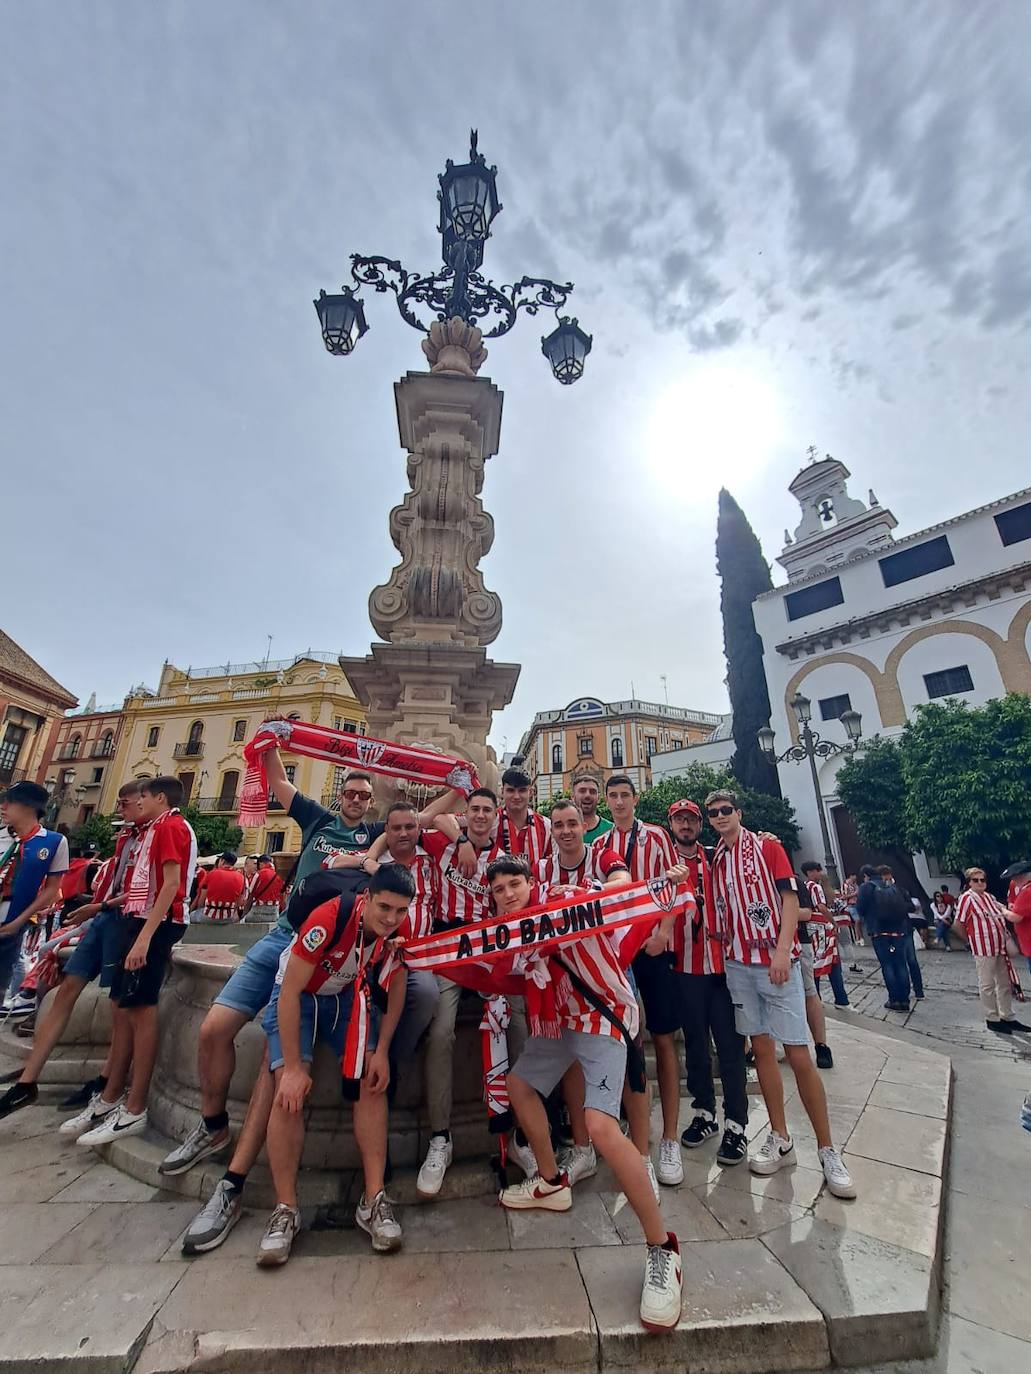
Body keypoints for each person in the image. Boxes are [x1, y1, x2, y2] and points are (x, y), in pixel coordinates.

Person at [162, 756, 386, 1185]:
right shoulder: (317, 819)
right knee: (213, 1029)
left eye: (364, 796)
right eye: (350, 793)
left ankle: (240, 1174)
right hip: (284, 936)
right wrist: (272, 742)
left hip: (328, 952)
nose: (356, 800)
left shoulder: (373, 835)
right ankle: (212, 1126)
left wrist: (456, 781)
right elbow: (278, 779)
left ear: (372, 802)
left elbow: (422, 820)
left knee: (275, 1056)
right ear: (340, 796)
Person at [491, 855, 683, 1332]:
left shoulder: (562, 899)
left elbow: (614, 899)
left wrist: (654, 883)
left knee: (599, 1125)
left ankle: (663, 1248)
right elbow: (487, 964)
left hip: (602, 1018)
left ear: (531, 883)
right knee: (519, 1085)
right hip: (559, 1021)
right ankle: (552, 1182)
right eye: (500, 890)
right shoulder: (510, 929)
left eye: (515, 884)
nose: (509, 894)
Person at [256, 864, 415, 1266]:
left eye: (400, 911)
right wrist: (292, 1067)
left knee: (370, 1081)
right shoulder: (327, 919)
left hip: (345, 996)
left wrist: (382, 1052)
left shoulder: (398, 927)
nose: (391, 919)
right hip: (300, 997)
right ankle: (286, 1210)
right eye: (384, 908)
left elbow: (397, 985)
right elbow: (290, 992)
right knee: (287, 1093)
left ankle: (374, 1198)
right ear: (366, 898)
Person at [706, 789, 856, 1200]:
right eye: (713, 812)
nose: (719, 817)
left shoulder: (767, 846)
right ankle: (779, 1134)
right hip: (738, 963)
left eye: (725, 810)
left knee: (798, 1052)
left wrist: (782, 952)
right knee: (761, 1046)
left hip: (774, 963)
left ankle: (828, 1149)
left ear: (738, 812)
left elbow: (789, 900)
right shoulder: (716, 857)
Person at [414, 787, 534, 1199]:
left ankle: (520, 1133)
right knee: (441, 1032)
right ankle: (440, 1137)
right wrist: (460, 833)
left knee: (521, 1026)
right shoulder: (444, 842)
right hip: (449, 951)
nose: (480, 815)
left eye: (487, 810)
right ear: (466, 812)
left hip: (490, 952)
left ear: (497, 815)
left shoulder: (503, 857)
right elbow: (418, 821)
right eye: (474, 810)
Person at [64, 776, 197, 1145]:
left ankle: (134, 1107)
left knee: (140, 1009)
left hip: (157, 923)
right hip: (141, 919)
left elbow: (170, 886)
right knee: (125, 1007)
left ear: (158, 797)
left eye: (139, 797)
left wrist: (144, 937)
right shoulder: (155, 828)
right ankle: (110, 1098)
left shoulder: (170, 827)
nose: (134, 804)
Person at [0, 782, 145, 1119]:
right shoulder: (126, 835)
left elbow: (146, 888)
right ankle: (27, 1080)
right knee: (66, 990)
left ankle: (109, 1082)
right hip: (102, 920)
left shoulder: (156, 834)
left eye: (125, 803)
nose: (119, 809)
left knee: (118, 1004)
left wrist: (99, 906)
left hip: (123, 922)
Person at [593, 774, 677, 1193]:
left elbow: (673, 887)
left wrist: (663, 931)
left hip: (654, 947)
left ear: (635, 798)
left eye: (625, 795)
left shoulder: (657, 838)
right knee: (628, 1038)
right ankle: (632, 1136)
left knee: (662, 1036)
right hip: (618, 953)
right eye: (614, 796)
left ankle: (669, 1140)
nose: (620, 802)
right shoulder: (600, 846)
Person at [667, 799, 748, 1166]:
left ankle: (737, 1122)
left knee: (730, 1048)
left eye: (691, 819)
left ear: (700, 824)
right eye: (679, 820)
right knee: (696, 1046)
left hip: (722, 968)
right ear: (671, 824)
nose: (686, 825)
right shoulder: (663, 864)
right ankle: (704, 1112)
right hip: (684, 968)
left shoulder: (717, 857)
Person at [0, 781, 69, 1007]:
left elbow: (51, 889)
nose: (4, 805)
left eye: (11, 801)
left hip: (10, 922)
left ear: (30, 807)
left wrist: (19, 921)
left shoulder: (54, 842)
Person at [955, 867, 1027, 1034]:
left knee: (1005, 983)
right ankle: (992, 1018)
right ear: (969, 883)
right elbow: (958, 924)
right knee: (987, 984)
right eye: (976, 880)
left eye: (982, 880)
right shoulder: (967, 898)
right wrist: (970, 942)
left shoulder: (990, 897)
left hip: (1000, 946)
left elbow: (1004, 912)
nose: (980, 883)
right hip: (983, 947)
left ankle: (1007, 1016)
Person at [857, 864, 912, 1011]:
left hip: (879, 931)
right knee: (901, 964)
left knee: (887, 965)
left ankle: (894, 1000)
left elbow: (860, 909)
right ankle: (905, 1000)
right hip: (898, 931)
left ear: (866, 876)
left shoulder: (866, 887)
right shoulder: (891, 886)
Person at [802, 861, 850, 1011]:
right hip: (822, 928)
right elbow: (822, 907)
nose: (819, 873)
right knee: (831, 962)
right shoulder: (815, 887)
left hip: (810, 928)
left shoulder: (803, 886)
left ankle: (816, 998)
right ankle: (840, 999)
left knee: (814, 963)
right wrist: (833, 923)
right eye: (817, 870)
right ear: (811, 872)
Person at [879, 866, 925, 1001]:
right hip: (898, 929)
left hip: (903, 928)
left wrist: (898, 906)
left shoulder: (898, 890)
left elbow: (911, 907)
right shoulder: (884, 891)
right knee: (905, 961)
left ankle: (917, 990)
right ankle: (911, 991)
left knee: (909, 961)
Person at [496, 766, 551, 866]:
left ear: (531, 792)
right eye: (511, 790)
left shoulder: (546, 825)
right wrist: (464, 843)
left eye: (522, 790)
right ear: (502, 791)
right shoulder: (491, 820)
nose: (516, 796)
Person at [202, 853, 246, 921]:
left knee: (192, 915)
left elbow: (202, 898)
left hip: (209, 915)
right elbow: (240, 901)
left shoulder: (212, 873)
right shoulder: (241, 877)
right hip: (229, 917)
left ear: (222, 861)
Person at [571, 777, 612, 845]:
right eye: (582, 791)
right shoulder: (564, 831)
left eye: (592, 792)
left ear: (598, 798)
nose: (587, 795)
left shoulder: (610, 830)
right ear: (573, 797)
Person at [242, 854, 284, 918]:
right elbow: (283, 896)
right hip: (274, 912)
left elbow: (251, 895)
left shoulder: (259, 874)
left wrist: (244, 914)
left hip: (258, 911)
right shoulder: (280, 876)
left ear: (261, 863)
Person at [931, 886, 956, 951]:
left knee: (942, 925)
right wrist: (942, 919)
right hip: (938, 920)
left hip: (947, 919)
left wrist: (943, 919)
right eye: (937, 896)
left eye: (940, 896)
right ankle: (948, 946)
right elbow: (936, 913)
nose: (939, 897)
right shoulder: (933, 905)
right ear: (935, 897)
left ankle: (937, 938)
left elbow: (947, 914)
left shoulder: (947, 905)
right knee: (944, 929)